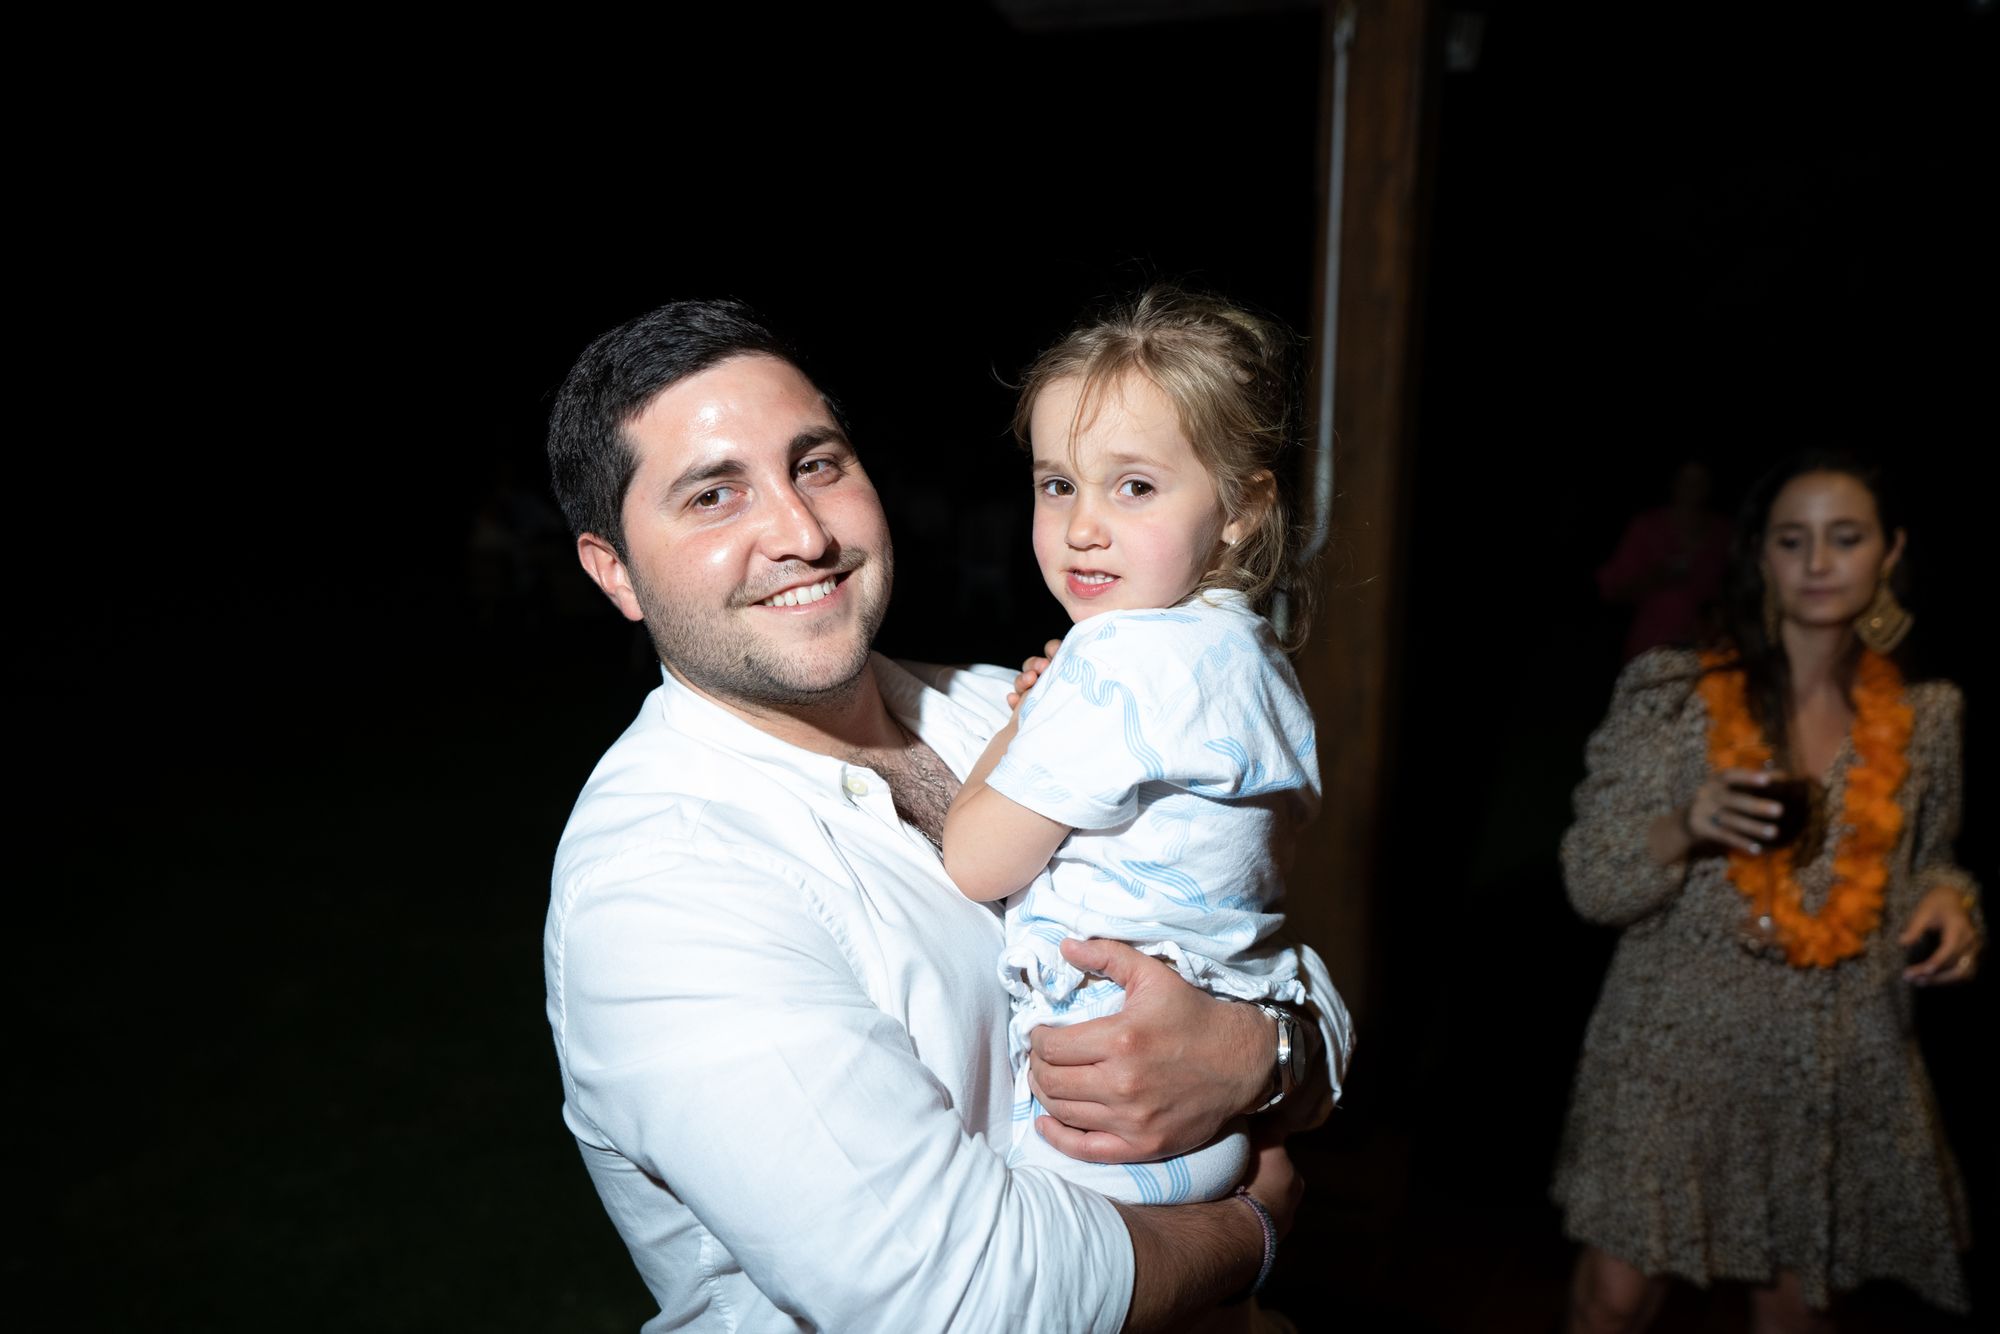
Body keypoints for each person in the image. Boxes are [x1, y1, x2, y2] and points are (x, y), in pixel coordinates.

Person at [541, 298, 1352, 1333]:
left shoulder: (1009, 706)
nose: (800, 533)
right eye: (713, 495)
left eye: (816, 464)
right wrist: (1250, 1231)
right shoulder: (662, 886)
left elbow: (1287, 964)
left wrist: (1257, 1054)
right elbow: (957, 1299)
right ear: (614, 570)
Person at [1552, 453, 1982, 1334]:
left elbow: (1930, 859)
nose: (1818, 561)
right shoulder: (1672, 693)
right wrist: (1686, 824)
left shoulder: (1928, 715)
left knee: (1795, 1314)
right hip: (1675, 1041)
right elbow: (1593, 878)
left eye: (1845, 537)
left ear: (1891, 552)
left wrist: (1949, 902)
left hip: (1834, 1049)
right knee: (1613, 1301)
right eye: (1793, 540)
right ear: (1760, 556)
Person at [942, 288, 1342, 1207]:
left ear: (1240, 506)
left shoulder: (1116, 659)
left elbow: (974, 859)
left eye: (1135, 487)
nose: (1084, 526)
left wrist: (1023, 720)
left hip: (1098, 1088)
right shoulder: (1252, 657)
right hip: (1213, 1077)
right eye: (1058, 485)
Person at [1595, 459, 1731, 661]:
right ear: (1673, 483)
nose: (1693, 489)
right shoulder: (1647, 527)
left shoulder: (1724, 532)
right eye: (1686, 481)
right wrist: (1654, 578)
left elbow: (1735, 590)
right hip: (1652, 646)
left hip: (1707, 649)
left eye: (1700, 481)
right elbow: (1612, 589)